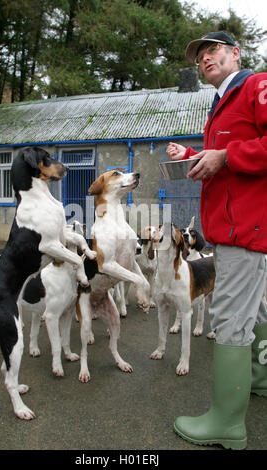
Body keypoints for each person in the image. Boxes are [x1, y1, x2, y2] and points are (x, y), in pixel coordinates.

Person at [168, 31, 267, 450]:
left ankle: (228, 424)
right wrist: (192, 154)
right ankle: (259, 381)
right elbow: (227, 157)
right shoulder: (220, 103)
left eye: (212, 50)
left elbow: (234, 155)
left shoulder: (257, 86)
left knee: (228, 317)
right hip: (237, 226)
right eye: (199, 56)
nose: (205, 58)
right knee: (257, 307)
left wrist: (224, 157)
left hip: (245, 229)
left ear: (234, 53)